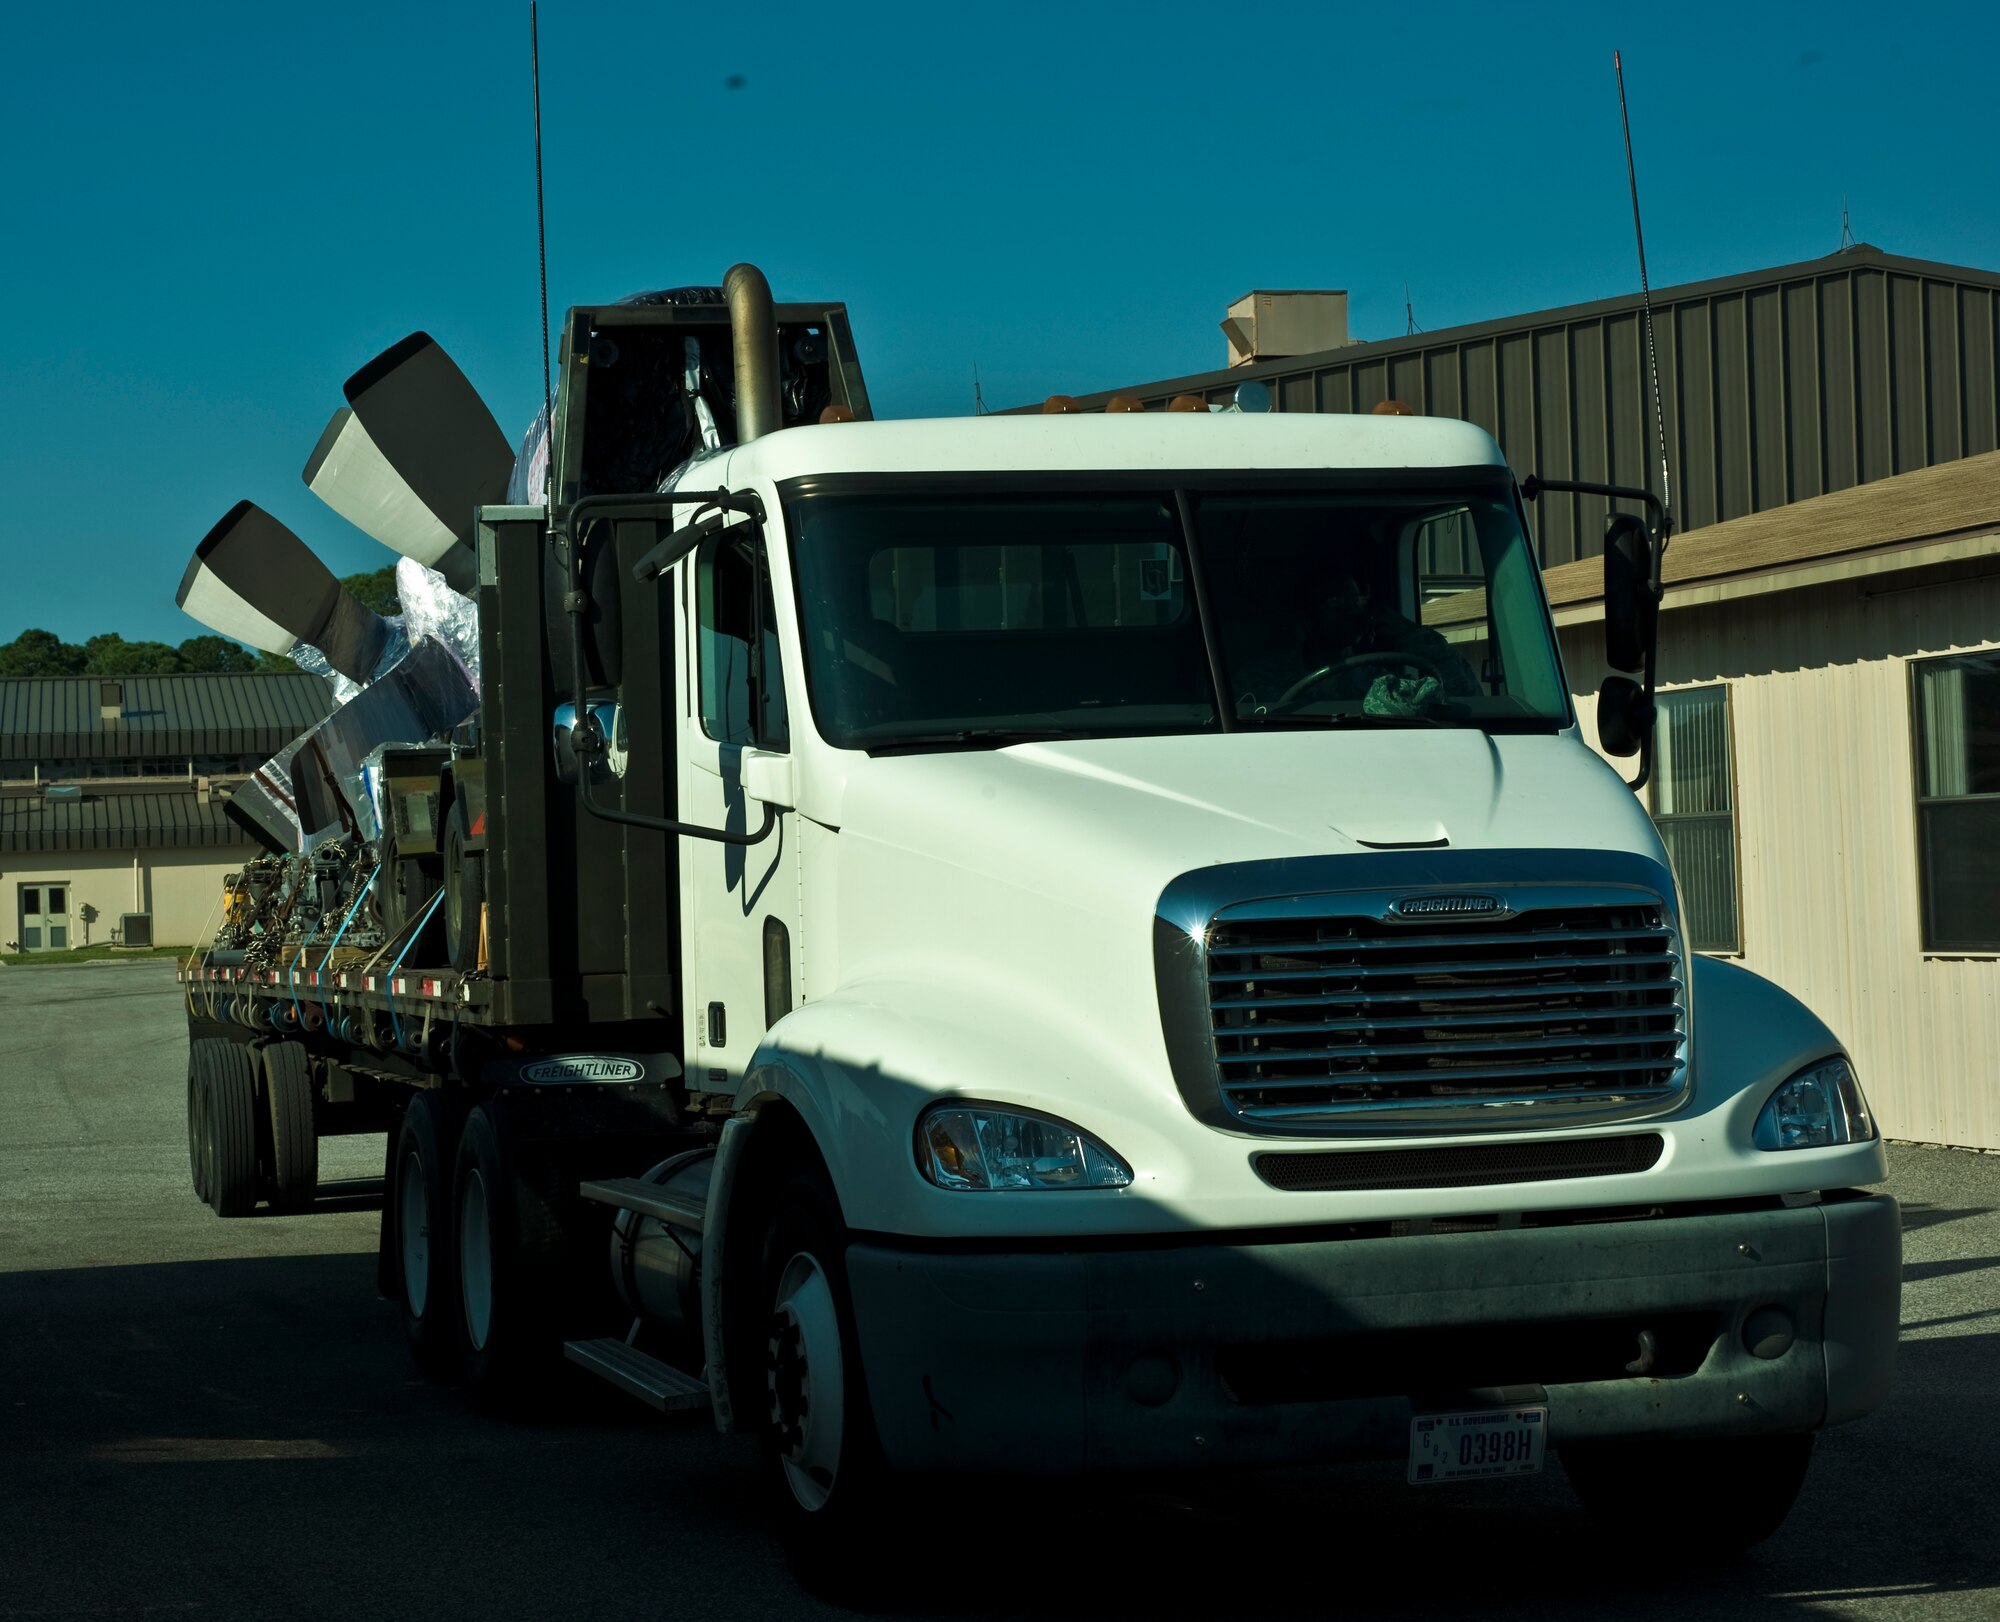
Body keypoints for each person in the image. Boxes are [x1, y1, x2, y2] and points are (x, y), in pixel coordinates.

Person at [1231, 566, 1481, 718]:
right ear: (1306, 616)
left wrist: (1410, 633)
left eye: (1356, 601)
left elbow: (1466, 700)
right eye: (1337, 602)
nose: (1351, 611)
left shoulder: (1383, 684)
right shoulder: (1260, 679)